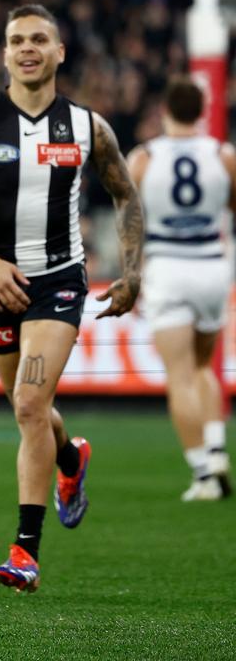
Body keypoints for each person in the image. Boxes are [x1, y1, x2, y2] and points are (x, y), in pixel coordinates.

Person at [0, 4, 143, 592]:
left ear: (59, 52)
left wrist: (131, 271)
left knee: (27, 405)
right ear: (4, 54)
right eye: (17, 40)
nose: (28, 48)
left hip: (58, 281)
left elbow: (125, 195)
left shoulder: (88, 126)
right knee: (31, 411)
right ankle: (70, 459)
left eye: (39, 39)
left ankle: (24, 552)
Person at [127, 76, 234, 501]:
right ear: (203, 110)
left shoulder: (144, 158)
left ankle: (203, 474)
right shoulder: (222, 155)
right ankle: (218, 445)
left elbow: (130, 224)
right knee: (206, 365)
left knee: (180, 376)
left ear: (164, 110)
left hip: (167, 267)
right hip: (211, 265)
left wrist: (131, 276)